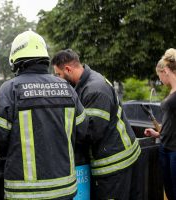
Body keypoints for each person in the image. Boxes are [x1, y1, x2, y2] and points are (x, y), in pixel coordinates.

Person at [0, 31, 88, 200]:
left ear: (15, 61)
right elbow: (83, 131)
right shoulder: (67, 88)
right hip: (64, 189)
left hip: (25, 193)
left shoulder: (10, 90)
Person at [51, 49, 142, 200]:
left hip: (115, 163)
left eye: (59, 75)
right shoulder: (87, 83)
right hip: (119, 158)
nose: (59, 79)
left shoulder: (94, 89)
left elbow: (91, 133)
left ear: (68, 69)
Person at [144, 48, 176, 200]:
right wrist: (158, 133)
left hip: (175, 151)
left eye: (159, 76)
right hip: (165, 147)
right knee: (169, 193)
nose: (160, 81)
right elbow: (172, 122)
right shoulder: (171, 91)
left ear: (165, 71)